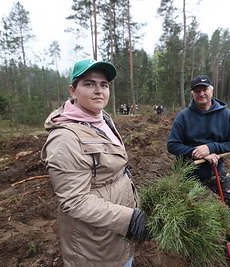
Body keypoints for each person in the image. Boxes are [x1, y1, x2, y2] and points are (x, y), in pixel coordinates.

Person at [41, 59, 150, 267]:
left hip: (117, 232)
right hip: (95, 245)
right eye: (89, 84)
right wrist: (130, 220)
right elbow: (75, 200)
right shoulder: (65, 139)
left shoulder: (102, 118)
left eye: (104, 85)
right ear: (73, 91)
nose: (99, 90)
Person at [167, 74, 230, 256]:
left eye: (204, 89)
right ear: (192, 94)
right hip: (187, 173)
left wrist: (211, 148)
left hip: (214, 172)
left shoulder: (225, 115)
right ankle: (187, 244)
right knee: (182, 210)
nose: (201, 93)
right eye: (197, 91)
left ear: (212, 90)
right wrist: (195, 151)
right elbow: (172, 145)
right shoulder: (184, 116)